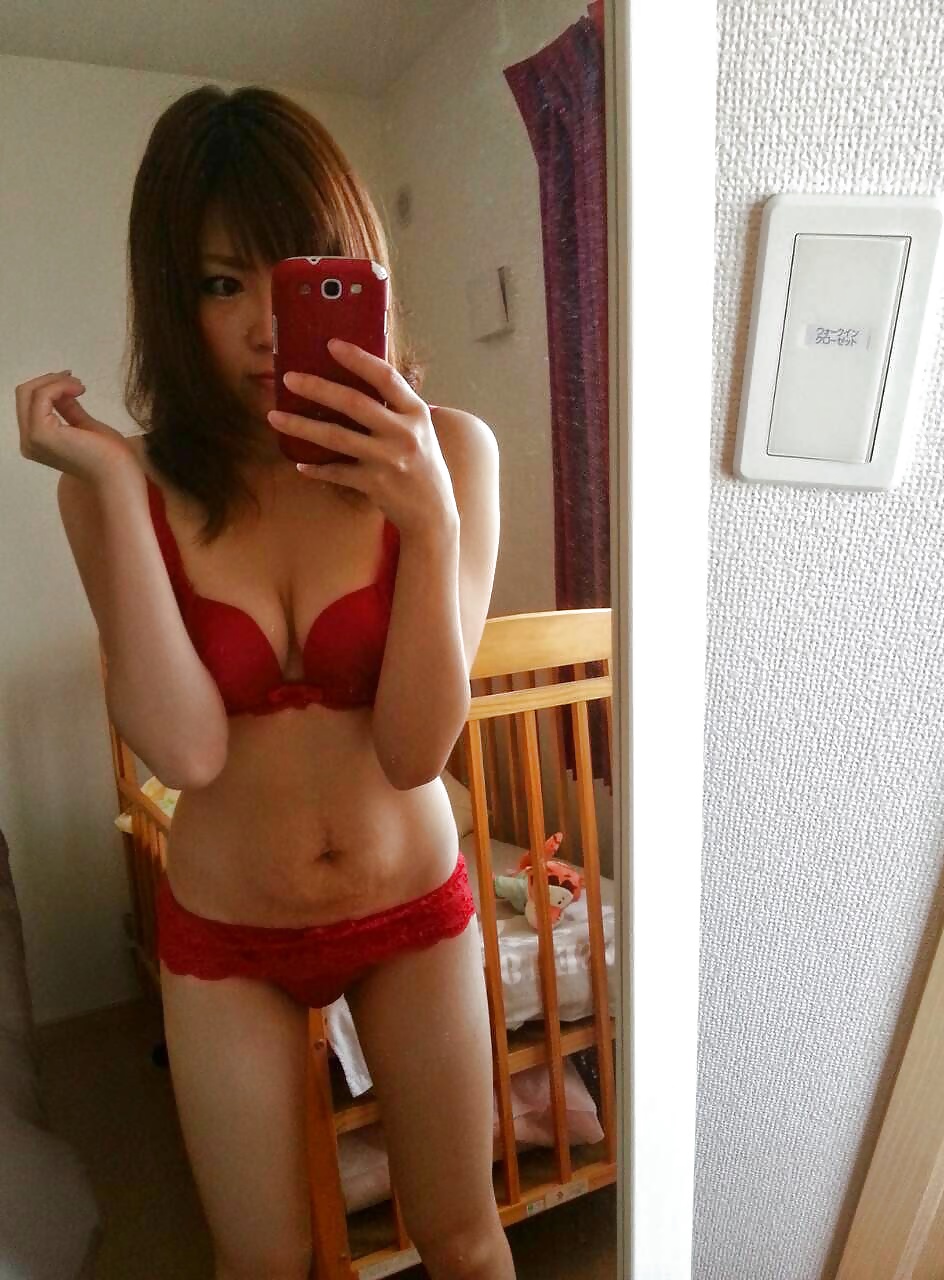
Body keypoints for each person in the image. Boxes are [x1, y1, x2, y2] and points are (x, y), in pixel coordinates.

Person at [15, 85, 512, 1280]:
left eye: (296, 277)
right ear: (168, 297)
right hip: (225, 934)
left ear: (358, 274)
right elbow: (186, 751)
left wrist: (431, 521)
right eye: (218, 282)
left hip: (412, 905)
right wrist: (113, 486)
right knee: (262, 1264)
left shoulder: (451, 452)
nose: (258, 329)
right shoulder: (115, 488)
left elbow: (415, 750)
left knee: (464, 1237)